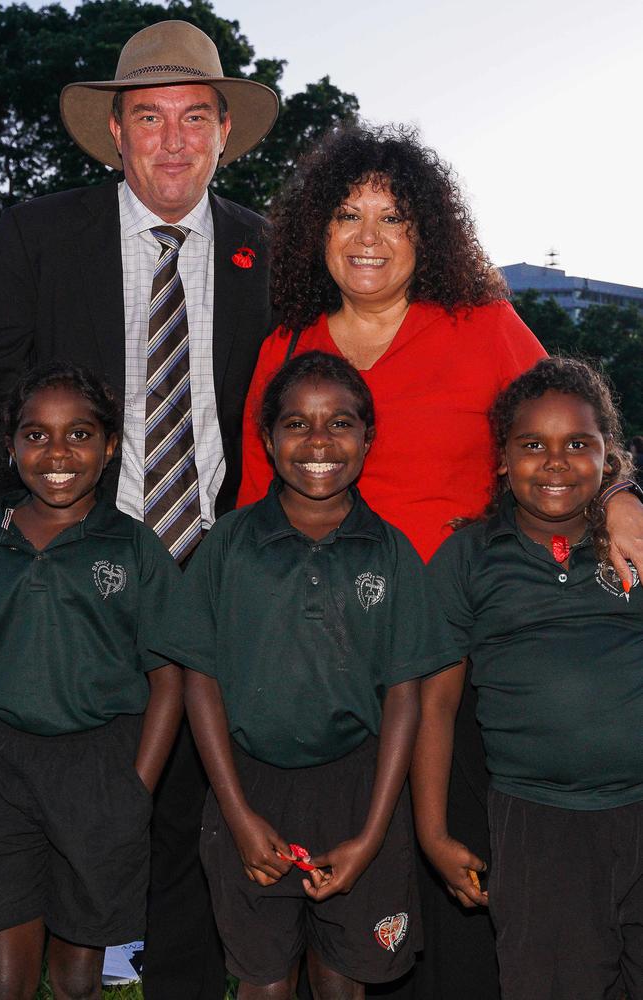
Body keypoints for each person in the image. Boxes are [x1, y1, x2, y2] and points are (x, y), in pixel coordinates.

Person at [238, 124, 643, 999]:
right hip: (333, 661)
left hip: (468, 646)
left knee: (468, 882)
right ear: (319, 231)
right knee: (346, 894)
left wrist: (621, 499)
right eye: (348, 214)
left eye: (394, 215)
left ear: (429, 232)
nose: (370, 235)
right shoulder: (288, 348)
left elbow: (571, 427)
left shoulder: (482, 325)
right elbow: (250, 514)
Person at [0, 20, 278, 997]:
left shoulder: (265, 250)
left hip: (211, 579)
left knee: (194, 821)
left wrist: (619, 485)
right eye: (148, 118)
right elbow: (0, 386)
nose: (171, 140)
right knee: (63, 826)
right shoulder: (39, 233)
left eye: (193, 118)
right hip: (75, 585)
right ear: (115, 133)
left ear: (221, 134)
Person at [153, 351, 455, 997]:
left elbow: (406, 693)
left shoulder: (392, 551)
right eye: (297, 424)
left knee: (345, 977)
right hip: (248, 783)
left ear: (368, 438)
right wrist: (236, 813)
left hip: (359, 787)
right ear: (267, 438)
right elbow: (198, 677)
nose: (319, 442)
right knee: (263, 976)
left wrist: (372, 834)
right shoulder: (230, 544)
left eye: (340, 423)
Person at [413, 357, 643, 1000]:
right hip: (538, 824)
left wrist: (631, 500)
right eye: (532, 445)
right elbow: (436, 704)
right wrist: (433, 832)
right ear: (502, 461)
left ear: (609, 457)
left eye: (578, 444)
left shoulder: (636, 541)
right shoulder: (470, 556)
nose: (556, 462)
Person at [0, 361, 183, 1000]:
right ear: (10, 445)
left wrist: (136, 787)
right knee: (6, 966)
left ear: (108, 451)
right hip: (2, 764)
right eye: (35, 434)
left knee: (78, 973)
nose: (56, 453)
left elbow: (168, 677)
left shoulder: (132, 548)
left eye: (78, 435)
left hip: (101, 768)